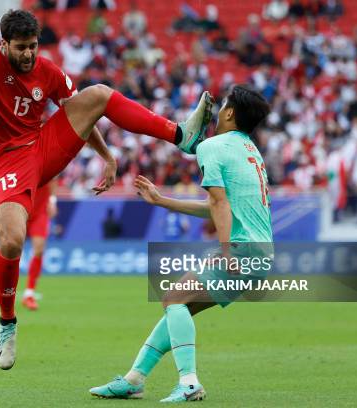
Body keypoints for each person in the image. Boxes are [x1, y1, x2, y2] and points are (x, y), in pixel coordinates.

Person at [0, 9, 213, 371]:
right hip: (3, 159)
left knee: (98, 93)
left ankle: (182, 135)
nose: (28, 54)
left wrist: (107, 156)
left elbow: (81, 115)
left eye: (33, 47)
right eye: (21, 47)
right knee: (10, 241)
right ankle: (7, 323)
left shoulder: (48, 70)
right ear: (4, 44)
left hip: (41, 147)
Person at [90, 84, 274, 402]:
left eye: (223, 106)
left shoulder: (213, 147)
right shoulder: (249, 150)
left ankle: (189, 382)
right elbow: (220, 205)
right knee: (180, 305)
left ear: (229, 112)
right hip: (261, 252)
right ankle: (134, 378)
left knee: (173, 298)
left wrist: (227, 251)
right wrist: (162, 201)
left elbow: (218, 204)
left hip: (241, 250)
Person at [21, 181, 57, 311]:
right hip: (20, 208)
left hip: (40, 211)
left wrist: (53, 201)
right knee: (10, 249)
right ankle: (5, 293)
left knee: (39, 249)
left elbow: (53, 178)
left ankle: (29, 294)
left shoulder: (45, 161)